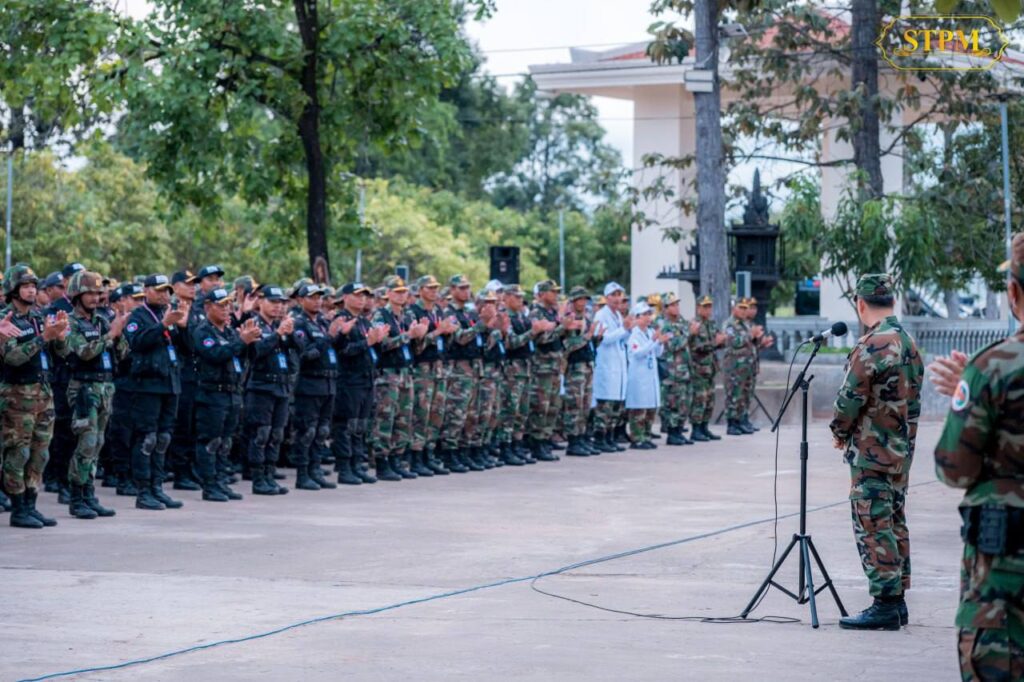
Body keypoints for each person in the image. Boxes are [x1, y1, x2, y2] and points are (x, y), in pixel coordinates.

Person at [933, 232, 1024, 680]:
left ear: (1013, 292)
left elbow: (954, 468)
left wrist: (969, 398)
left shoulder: (993, 366)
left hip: (1006, 577)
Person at [830, 273, 923, 631]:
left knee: (872, 524)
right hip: (900, 451)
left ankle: (885, 604)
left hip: (872, 453)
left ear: (860, 304)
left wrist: (839, 432)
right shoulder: (908, 343)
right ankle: (897, 602)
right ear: (892, 301)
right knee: (893, 521)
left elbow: (849, 399)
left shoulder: (873, 344)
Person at [1, 265, 69, 528]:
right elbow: (13, 357)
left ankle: (31, 505)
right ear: (13, 289)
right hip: (17, 395)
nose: (31, 290)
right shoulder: (5, 318)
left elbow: (61, 354)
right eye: (25, 286)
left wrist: (59, 337)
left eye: (33, 286)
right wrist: (43, 338)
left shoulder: (39, 317)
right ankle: (18, 508)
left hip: (43, 392)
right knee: (18, 452)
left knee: (41, 454)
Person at [61, 271, 129, 519]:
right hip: (84, 389)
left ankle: (89, 494)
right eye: (89, 292)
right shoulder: (70, 322)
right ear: (77, 295)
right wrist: (110, 335)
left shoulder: (101, 321)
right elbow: (83, 352)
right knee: (86, 443)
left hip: (105, 387)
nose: (95, 297)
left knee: (98, 443)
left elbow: (123, 353)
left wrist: (118, 335)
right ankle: (76, 497)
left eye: (98, 293)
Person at [123, 274, 189, 511]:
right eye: (159, 290)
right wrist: (163, 325)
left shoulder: (168, 314)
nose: (164, 295)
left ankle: (157, 487)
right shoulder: (138, 316)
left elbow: (188, 349)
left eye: (166, 291)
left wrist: (183, 327)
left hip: (170, 383)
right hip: (147, 386)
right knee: (147, 438)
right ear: (147, 290)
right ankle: (143, 491)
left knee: (163, 438)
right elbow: (136, 342)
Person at [192, 288, 261, 501]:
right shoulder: (203, 331)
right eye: (221, 305)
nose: (226, 309)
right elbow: (216, 354)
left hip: (233, 392)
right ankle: (210, 485)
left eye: (228, 305)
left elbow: (248, 356)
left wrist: (250, 341)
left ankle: (221, 482)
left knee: (226, 441)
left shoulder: (230, 332)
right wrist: (242, 341)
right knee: (211, 441)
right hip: (212, 394)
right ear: (207, 307)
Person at [370, 276, 429, 481]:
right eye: (397, 292)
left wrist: (420, 336)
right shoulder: (381, 315)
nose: (401, 295)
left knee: (404, 419)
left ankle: (397, 460)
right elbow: (382, 344)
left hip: (406, 373)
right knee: (386, 419)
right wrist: (408, 335)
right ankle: (382, 462)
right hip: (388, 374)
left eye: (404, 292)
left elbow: (416, 349)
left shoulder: (406, 316)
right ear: (388, 293)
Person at [243, 284, 296, 496]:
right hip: (261, 386)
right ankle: (258, 479)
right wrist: (278, 334)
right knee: (261, 433)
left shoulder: (279, 326)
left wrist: (289, 334)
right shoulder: (254, 324)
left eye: (281, 303)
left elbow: (297, 351)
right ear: (260, 302)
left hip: (281, 385)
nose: (278, 306)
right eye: (273, 302)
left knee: (276, 434)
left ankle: (269, 476)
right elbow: (256, 351)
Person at [330, 283, 384, 485]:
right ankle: (344, 467)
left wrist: (378, 341)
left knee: (360, 425)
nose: (362, 299)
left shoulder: (363, 321)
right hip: (349, 380)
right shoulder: (341, 320)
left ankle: (357, 465)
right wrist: (367, 342)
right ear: (345, 297)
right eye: (357, 295)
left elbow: (371, 350)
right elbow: (342, 350)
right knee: (346, 425)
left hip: (365, 379)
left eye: (365, 296)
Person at [289, 282, 339, 491]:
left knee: (322, 430)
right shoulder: (299, 324)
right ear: (301, 300)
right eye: (312, 297)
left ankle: (315, 470)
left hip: (328, 383)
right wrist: (329, 337)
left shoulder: (322, 323)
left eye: (319, 297)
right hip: (309, 383)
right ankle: (303, 474)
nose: (317, 301)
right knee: (307, 431)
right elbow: (305, 354)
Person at [407, 275, 457, 476]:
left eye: (436, 287)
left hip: (439, 367)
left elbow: (447, 342)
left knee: (436, 415)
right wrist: (437, 332)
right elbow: (415, 346)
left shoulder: (438, 311)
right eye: (430, 288)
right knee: (421, 414)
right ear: (420, 290)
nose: (434, 291)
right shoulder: (413, 312)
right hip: (423, 369)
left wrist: (449, 332)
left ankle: (429, 454)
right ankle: (416, 458)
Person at [439, 275, 485, 473]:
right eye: (462, 288)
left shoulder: (468, 312)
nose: (466, 291)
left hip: (473, 368)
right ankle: (450, 453)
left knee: (471, 414)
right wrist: (483, 323)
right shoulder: (448, 313)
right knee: (456, 413)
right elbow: (461, 338)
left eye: (468, 287)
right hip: (458, 369)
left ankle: (464, 451)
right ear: (452, 290)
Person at [106, 283, 145, 497]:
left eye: (141, 299)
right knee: (122, 432)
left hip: (139, 383)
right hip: (122, 381)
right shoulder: (116, 321)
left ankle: (133, 475)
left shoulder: (143, 320)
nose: (139, 303)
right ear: (123, 300)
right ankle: (121, 476)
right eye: (135, 299)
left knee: (138, 432)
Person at [529, 280, 573, 461]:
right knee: (541, 406)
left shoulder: (552, 313)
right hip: (542, 367)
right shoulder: (536, 313)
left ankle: (546, 440)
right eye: (552, 292)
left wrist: (564, 326)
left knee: (553, 406)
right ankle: (537, 443)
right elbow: (542, 339)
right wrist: (561, 326)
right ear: (542, 294)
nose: (556, 295)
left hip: (555, 366)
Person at [168, 270, 202, 492]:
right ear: (175, 287)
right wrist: (183, 327)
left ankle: (191, 469)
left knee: (193, 425)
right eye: (187, 283)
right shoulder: (171, 311)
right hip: (180, 374)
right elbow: (187, 346)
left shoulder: (197, 310)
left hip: (196, 375)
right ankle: (180, 472)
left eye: (194, 284)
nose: (193, 287)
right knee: (181, 425)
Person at [500, 284, 539, 464]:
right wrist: (533, 332)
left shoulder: (522, 316)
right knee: (510, 411)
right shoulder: (504, 317)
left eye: (521, 297)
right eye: (516, 297)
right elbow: (511, 342)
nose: (520, 300)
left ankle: (517, 445)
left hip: (526, 368)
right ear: (506, 298)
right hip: (512, 371)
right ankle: (505, 448)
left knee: (522, 412)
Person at [562, 286, 600, 456]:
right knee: (574, 405)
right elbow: (568, 345)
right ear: (573, 301)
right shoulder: (569, 320)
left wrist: (596, 338)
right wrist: (587, 337)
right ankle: (573, 441)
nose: (583, 303)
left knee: (585, 405)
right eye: (580, 299)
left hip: (587, 364)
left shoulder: (587, 318)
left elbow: (589, 343)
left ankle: (581, 437)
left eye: (585, 299)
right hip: (575, 366)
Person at [592, 283, 630, 453]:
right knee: (605, 406)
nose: (616, 298)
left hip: (619, 367)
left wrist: (628, 330)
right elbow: (604, 339)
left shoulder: (618, 316)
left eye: (619, 295)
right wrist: (624, 329)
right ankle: (600, 438)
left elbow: (622, 338)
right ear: (606, 297)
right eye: (613, 295)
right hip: (607, 367)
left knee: (615, 406)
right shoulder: (601, 315)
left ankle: (610, 437)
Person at [625, 301, 666, 449]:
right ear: (637, 317)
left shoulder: (649, 332)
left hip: (650, 376)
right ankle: (637, 438)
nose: (649, 317)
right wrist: (653, 341)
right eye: (645, 314)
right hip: (638, 377)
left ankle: (646, 436)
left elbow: (657, 353)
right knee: (639, 409)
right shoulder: (633, 334)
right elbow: (638, 353)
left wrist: (659, 342)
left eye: (650, 314)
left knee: (650, 408)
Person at [654, 292, 693, 446]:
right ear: (665, 308)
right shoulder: (663, 325)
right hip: (671, 371)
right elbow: (672, 345)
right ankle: (672, 433)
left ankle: (679, 431)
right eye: (672, 305)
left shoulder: (681, 322)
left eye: (677, 304)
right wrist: (688, 334)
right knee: (672, 403)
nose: (676, 307)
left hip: (684, 369)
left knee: (684, 402)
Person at [688, 295, 727, 442]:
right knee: (699, 399)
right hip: (698, 369)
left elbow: (718, 343)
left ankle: (704, 427)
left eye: (709, 306)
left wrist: (722, 341)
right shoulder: (694, 324)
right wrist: (715, 343)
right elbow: (696, 346)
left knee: (710, 400)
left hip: (710, 368)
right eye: (705, 307)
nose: (708, 310)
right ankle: (696, 429)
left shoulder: (711, 324)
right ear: (698, 308)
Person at [723, 299, 756, 436]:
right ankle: (732, 424)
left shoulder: (745, 324)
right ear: (734, 309)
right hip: (734, 367)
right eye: (741, 308)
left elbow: (750, 344)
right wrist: (750, 335)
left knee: (744, 395)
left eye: (745, 308)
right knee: (733, 395)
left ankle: (742, 421)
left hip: (747, 366)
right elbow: (734, 342)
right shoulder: (730, 325)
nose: (743, 311)